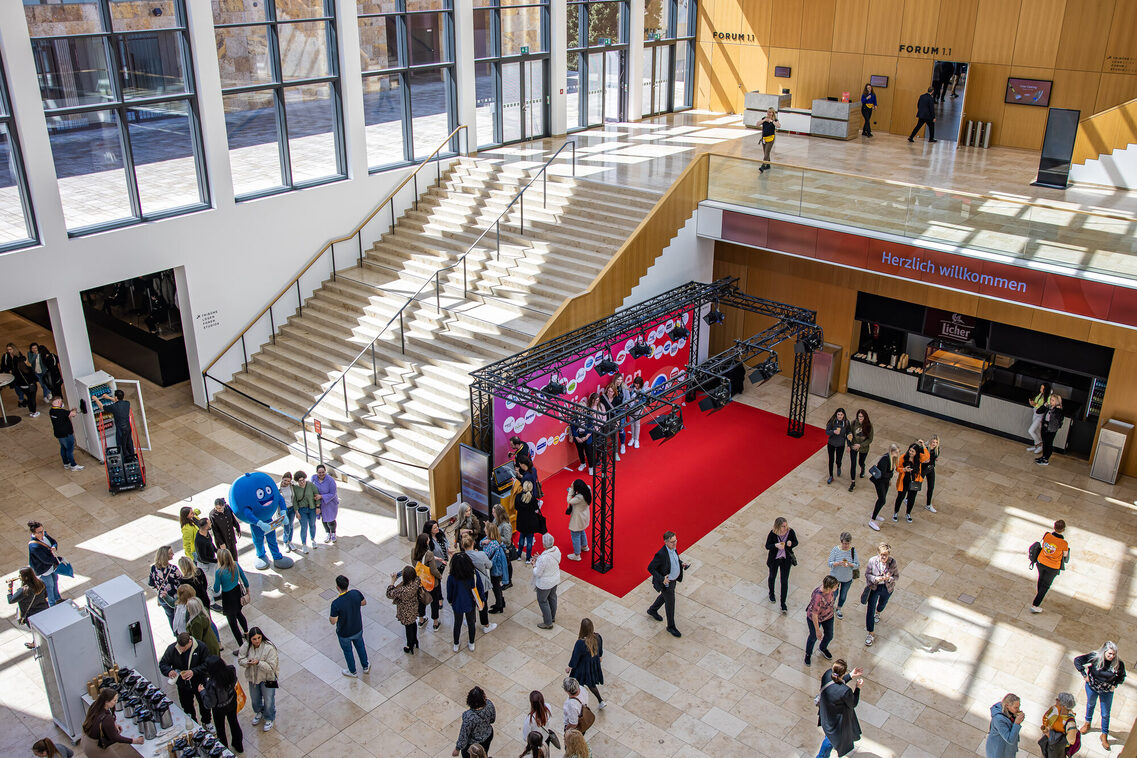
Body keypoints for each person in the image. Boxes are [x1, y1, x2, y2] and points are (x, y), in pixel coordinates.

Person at [1074, 641, 1126, 750]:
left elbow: (1122, 676)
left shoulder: (1118, 664)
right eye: (1109, 654)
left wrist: (1115, 685)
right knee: (1090, 704)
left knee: (1105, 713)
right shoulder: (1095, 657)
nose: (1112, 656)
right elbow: (1077, 660)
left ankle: (1104, 735)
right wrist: (1084, 675)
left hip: (1107, 692)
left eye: (1114, 654)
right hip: (1092, 687)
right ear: (1104, 652)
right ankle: (1087, 723)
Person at [159, 632, 212, 729]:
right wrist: (169, 671)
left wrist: (193, 671)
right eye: (180, 647)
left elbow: (207, 664)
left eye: (184, 648)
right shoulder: (172, 649)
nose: (181, 650)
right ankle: (193, 724)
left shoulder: (201, 647)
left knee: (204, 704)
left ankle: (207, 722)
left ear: (190, 642)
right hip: (183, 685)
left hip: (199, 682)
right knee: (187, 706)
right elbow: (163, 664)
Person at [816, 659, 864, 758]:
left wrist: (850, 675)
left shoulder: (827, 674)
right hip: (835, 723)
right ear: (843, 673)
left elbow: (835, 681)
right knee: (829, 741)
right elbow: (853, 703)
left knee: (829, 737)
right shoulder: (845, 691)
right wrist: (858, 688)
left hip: (825, 715)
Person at [198, 655, 243, 755]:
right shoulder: (231, 670)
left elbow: (211, 703)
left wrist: (202, 692)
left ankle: (224, 752)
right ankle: (238, 745)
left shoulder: (212, 684)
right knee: (234, 723)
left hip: (219, 709)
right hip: (231, 702)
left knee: (221, 730)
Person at [646, 530, 688, 637]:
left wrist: (681, 563)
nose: (675, 544)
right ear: (666, 542)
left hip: (673, 581)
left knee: (665, 597)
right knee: (670, 604)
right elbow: (650, 568)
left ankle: (652, 610)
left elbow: (674, 559)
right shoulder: (661, 554)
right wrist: (662, 579)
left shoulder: (673, 549)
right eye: (672, 542)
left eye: (675, 541)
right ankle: (671, 626)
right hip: (666, 583)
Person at [80, 687, 145, 756]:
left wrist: (114, 724)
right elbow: (115, 737)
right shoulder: (107, 719)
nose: (116, 702)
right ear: (106, 701)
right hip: (94, 747)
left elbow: (110, 713)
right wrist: (135, 741)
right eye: (114, 700)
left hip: (85, 738)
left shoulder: (96, 705)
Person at [238, 626, 279, 732]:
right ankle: (259, 712)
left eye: (259, 638)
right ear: (250, 639)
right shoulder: (246, 646)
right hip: (253, 678)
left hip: (268, 679)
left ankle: (269, 717)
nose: (257, 641)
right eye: (254, 639)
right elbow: (240, 659)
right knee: (255, 699)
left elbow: (271, 668)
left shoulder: (269, 648)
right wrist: (247, 662)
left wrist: (258, 663)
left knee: (269, 700)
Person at [330, 574, 369, 676]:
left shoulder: (336, 603)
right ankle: (365, 666)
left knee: (348, 652)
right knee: (360, 647)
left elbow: (333, 621)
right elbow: (364, 602)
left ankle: (352, 671)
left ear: (337, 587)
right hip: (357, 628)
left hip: (344, 633)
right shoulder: (356, 593)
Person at [446, 551, 485, 652]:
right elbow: (480, 587)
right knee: (471, 623)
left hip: (457, 604)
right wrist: (482, 599)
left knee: (457, 624)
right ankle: (471, 642)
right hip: (470, 603)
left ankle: (456, 643)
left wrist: (450, 600)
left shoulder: (451, 577)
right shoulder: (474, 574)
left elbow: (449, 591)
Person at [212, 547, 249, 649]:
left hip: (228, 597)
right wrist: (248, 592)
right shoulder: (236, 565)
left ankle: (241, 647)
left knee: (233, 623)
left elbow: (216, 589)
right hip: (237, 593)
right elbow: (245, 581)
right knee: (239, 613)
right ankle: (247, 633)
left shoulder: (219, 572)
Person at [864, 542, 899, 647]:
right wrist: (875, 578)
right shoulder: (872, 561)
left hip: (887, 588)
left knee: (882, 604)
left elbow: (896, 576)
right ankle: (870, 633)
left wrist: (889, 578)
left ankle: (878, 612)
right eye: (882, 555)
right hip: (875, 587)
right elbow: (867, 574)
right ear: (878, 553)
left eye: (886, 555)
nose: (883, 557)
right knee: (870, 609)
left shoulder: (892, 562)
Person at [462, 534, 498, 633]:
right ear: (473, 543)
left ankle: (470, 619)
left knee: (469, 602)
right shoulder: (481, 555)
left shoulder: (461, 557)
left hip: (466, 583)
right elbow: (489, 565)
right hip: (480, 582)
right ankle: (486, 624)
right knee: (483, 603)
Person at [567, 618, 605, 708]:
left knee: (576, 684)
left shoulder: (580, 643)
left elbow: (575, 657)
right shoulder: (598, 637)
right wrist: (599, 657)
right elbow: (600, 650)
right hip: (592, 666)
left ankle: (578, 703)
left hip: (581, 668)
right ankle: (601, 701)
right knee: (591, 684)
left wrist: (570, 666)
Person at [1032, 519, 1068, 612]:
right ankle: (1035, 605)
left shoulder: (1047, 535)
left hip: (1041, 562)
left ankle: (1039, 595)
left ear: (1054, 527)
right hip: (1053, 567)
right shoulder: (1064, 543)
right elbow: (1065, 555)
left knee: (1041, 579)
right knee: (1046, 585)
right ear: (1063, 529)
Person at [8, 567, 49, 649]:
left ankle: (37, 643)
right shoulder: (41, 583)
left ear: (25, 577)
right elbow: (46, 595)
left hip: (31, 614)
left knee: (35, 630)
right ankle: (37, 641)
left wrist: (10, 587)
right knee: (44, 627)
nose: (19, 576)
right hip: (43, 610)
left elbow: (11, 600)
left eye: (20, 575)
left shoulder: (24, 590)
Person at [765, 516, 798, 614]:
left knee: (784, 581)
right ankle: (771, 593)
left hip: (785, 560)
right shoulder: (772, 534)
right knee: (772, 576)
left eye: (786, 525)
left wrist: (791, 543)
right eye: (783, 526)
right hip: (774, 560)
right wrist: (776, 545)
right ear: (778, 526)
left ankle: (783, 603)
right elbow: (767, 546)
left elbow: (796, 542)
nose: (785, 527)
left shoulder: (790, 532)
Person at [387, 565, 423, 654]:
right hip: (414, 606)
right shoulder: (417, 580)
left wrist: (392, 581)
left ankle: (409, 645)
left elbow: (389, 594)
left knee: (408, 627)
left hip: (405, 610)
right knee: (413, 623)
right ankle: (415, 640)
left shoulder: (402, 590)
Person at [892, 442, 930, 523]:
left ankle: (908, 513)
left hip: (914, 482)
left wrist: (923, 445)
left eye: (913, 451)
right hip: (904, 481)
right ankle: (896, 513)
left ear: (916, 453)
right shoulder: (903, 457)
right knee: (900, 497)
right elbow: (897, 468)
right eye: (910, 450)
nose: (910, 452)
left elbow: (927, 456)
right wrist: (904, 470)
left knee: (911, 499)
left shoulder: (919, 458)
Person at [453, 686, 495, 758]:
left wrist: (457, 748)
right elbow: (492, 720)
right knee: (483, 753)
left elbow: (464, 734)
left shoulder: (469, 717)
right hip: (488, 736)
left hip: (473, 744)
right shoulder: (489, 704)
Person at [805, 576, 839, 665]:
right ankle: (808, 654)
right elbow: (814, 615)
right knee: (813, 637)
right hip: (815, 618)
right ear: (829, 587)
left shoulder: (830, 591)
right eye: (835, 586)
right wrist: (817, 630)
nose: (837, 588)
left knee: (829, 635)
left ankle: (823, 647)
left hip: (828, 616)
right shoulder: (818, 597)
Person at [413, 534, 445, 629]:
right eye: (427, 540)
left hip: (420, 581)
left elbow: (415, 565)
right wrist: (439, 576)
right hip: (430, 582)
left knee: (421, 599)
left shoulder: (413, 551)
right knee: (434, 601)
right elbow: (433, 570)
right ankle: (435, 623)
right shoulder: (429, 554)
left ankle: (421, 620)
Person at [27, 521, 62, 606]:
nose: (43, 533)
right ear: (34, 533)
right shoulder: (34, 546)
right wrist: (59, 559)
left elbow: (53, 541)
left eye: (43, 530)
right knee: (49, 587)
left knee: (55, 581)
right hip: (43, 570)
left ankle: (58, 599)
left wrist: (54, 546)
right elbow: (46, 559)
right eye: (40, 532)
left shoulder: (44, 535)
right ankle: (52, 604)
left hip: (51, 566)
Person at [148, 545, 182, 629]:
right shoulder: (173, 569)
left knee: (170, 617)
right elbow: (181, 582)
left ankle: (175, 633)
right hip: (174, 597)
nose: (173, 554)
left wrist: (161, 589)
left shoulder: (153, 568)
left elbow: (151, 583)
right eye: (170, 553)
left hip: (162, 597)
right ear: (165, 556)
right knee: (179, 616)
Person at [867, 443, 899, 531]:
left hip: (885, 481)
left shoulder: (892, 459)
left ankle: (875, 513)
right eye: (896, 452)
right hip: (879, 482)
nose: (897, 454)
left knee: (882, 499)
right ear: (892, 451)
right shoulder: (885, 459)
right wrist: (892, 474)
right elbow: (882, 473)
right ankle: (872, 520)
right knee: (882, 500)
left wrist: (889, 480)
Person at [827, 532, 859, 619]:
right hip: (835, 578)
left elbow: (857, 565)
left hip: (847, 578)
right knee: (833, 595)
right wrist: (837, 563)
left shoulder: (853, 551)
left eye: (848, 543)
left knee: (843, 596)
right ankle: (829, 608)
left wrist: (850, 564)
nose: (846, 545)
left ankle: (838, 609)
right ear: (841, 542)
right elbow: (829, 563)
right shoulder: (835, 550)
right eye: (844, 543)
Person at [533, 533, 562, 629]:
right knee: (552, 597)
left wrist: (534, 565)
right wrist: (539, 559)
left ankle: (548, 622)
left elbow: (538, 573)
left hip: (545, 584)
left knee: (542, 601)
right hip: (555, 579)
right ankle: (552, 617)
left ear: (544, 544)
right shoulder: (556, 550)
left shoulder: (544, 558)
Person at [95, 389, 134, 460]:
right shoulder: (127, 403)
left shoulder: (114, 407)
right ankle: (132, 456)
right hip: (128, 427)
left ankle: (126, 458)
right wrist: (108, 398)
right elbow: (118, 402)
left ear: (116, 397)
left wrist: (96, 399)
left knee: (121, 445)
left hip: (121, 429)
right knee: (129, 442)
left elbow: (101, 407)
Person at [48, 397, 83, 471]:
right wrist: (74, 410)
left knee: (63, 448)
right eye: (60, 402)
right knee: (69, 450)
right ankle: (73, 465)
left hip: (58, 434)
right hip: (66, 434)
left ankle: (66, 463)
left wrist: (69, 412)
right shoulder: (61, 411)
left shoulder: (51, 411)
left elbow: (65, 414)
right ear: (57, 402)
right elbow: (73, 414)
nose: (61, 403)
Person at [1040, 692, 1080, 758]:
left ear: (1063, 706)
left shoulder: (1070, 723)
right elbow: (1046, 717)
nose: (1056, 700)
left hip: (1057, 750)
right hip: (1047, 742)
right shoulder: (1054, 708)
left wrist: (1051, 736)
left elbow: (1071, 740)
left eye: (1058, 700)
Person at [480, 525, 508, 613]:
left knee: (496, 587)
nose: (484, 530)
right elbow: (480, 542)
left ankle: (499, 606)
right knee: (497, 586)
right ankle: (501, 602)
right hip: (497, 568)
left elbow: (485, 556)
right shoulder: (495, 539)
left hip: (495, 569)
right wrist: (483, 542)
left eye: (485, 529)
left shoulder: (493, 544)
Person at [985, 693, 1024, 758]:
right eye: (1016, 707)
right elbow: (1009, 739)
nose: (1018, 710)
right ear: (1007, 705)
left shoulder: (1009, 712)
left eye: (1019, 706)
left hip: (1006, 749)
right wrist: (1017, 723)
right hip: (998, 751)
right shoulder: (999, 720)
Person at [5, 344, 38, 417]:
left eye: (10, 349)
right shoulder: (26, 369)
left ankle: (31, 411)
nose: (9, 351)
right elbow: (32, 373)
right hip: (29, 385)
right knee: (32, 398)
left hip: (22, 385)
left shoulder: (16, 369)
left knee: (29, 398)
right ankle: (34, 412)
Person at [291, 470, 319, 554]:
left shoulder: (310, 485)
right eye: (300, 481)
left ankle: (313, 539)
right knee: (304, 527)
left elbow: (316, 495)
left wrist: (318, 506)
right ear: (297, 481)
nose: (302, 482)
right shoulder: (295, 488)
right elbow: (294, 500)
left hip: (312, 508)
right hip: (302, 510)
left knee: (312, 524)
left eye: (303, 480)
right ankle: (304, 544)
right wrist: (296, 512)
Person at [515, 480, 542, 565]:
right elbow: (536, 509)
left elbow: (516, 507)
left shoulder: (518, 497)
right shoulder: (533, 499)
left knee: (521, 538)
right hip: (530, 522)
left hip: (521, 521)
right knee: (529, 541)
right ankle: (527, 558)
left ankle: (519, 555)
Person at [846, 409, 873, 491]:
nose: (860, 418)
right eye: (859, 416)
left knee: (860, 462)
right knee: (853, 464)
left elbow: (870, 439)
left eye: (862, 416)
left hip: (863, 448)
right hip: (854, 446)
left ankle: (862, 467)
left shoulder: (869, 426)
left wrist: (860, 445)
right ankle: (853, 482)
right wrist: (849, 444)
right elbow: (849, 433)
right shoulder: (853, 423)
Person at [312, 464, 340, 543]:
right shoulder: (314, 479)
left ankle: (333, 532)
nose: (321, 474)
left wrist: (321, 496)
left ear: (325, 471)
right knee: (324, 518)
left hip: (329, 503)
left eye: (323, 472)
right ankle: (327, 533)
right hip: (320, 503)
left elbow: (333, 493)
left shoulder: (330, 480)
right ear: (316, 472)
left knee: (330, 519)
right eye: (319, 472)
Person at [566, 478, 592, 561]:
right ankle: (585, 546)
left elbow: (569, 500)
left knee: (575, 535)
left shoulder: (579, 497)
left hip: (578, 518)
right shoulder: (588, 489)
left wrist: (571, 490)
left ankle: (577, 555)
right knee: (581, 530)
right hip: (584, 515)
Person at [1036, 394, 1064, 465]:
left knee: (1049, 443)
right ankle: (1043, 456)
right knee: (1044, 443)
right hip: (1045, 427)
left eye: (1053, 400)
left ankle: (1046, 459)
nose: (1051, 401)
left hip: (1051, 429)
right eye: (1051, 399)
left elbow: (1059, 418)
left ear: (1057, 402)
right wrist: (1044, 405)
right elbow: (1038, 411)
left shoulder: (1058, 410)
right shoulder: (1049, 407)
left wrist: (1057, 408)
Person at [569, 400, 595, 475]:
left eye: (582, 408)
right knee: (580, 451)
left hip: (587, 436)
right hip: (578, 436)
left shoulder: (589, 416)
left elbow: (591, 427)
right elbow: (573, 427)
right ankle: (583, 463)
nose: (580, 410)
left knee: (589, 453)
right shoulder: (575, 416)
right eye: (579, 408)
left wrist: (586, 437)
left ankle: (591, 467)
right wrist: (576, 437)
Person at [492, 504, 515, 587]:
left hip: (506, 549)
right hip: (499, 547)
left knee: (507, 565)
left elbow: (507, 540)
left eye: (494, 512)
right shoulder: (496, 520)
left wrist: (496, 535)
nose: (492, 514)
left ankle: (509, 581)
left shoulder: (506, 525)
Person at [825, 409, 849, 484]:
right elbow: (827, 432)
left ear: (843, 415)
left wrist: (848, 445)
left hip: (840, 444)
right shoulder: (832, 422)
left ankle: (839, 466)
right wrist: (833, 431)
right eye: (838, 414)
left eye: (841, 415)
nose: (839, 416)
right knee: (831, 459)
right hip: (831, 443)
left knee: (838, 460)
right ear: (836, 414)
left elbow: (848, 433)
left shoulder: (846, 423)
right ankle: (831, 476)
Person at [1027, 383, 1052, 454]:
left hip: (1040, 416)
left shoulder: (1048, 397)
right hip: (1035, 413)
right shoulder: (1040, 395)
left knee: (1031, 430)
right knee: (1037, 431)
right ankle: (1036, 446)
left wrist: (1035, 404)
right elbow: (1036, 402)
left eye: (1042, 388)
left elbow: (1044, 408)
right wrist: (1032, 403)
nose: (1040, 389)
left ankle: (1040, 444)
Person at [194, 518, 219, 588]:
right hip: (205, 565)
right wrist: (216, 560)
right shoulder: (199, 541)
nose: (211, 523)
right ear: (206, 527)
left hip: (211, 561)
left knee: (215, 578)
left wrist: (217, 551)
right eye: (209, 523)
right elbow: (203, 558)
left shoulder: (206, 533)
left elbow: (210, 543)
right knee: (210, 582)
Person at [278, 471, 296, 552]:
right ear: (282, 479)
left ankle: (290, 541)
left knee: (291, 525)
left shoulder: (291, 485)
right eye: (285, 480)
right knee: (286, 525)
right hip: (284, 510)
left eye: (288, 481)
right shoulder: (277, 488)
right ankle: (285, 542)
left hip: (291, 508)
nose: (286, 482)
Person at [758, 108, 780, 172]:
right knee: (765, 152)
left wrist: (772, 121)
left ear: (773, 113)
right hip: (764, 138)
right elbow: (757, 124)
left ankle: (763, 165)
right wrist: (764, 120)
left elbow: (778, 126)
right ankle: (768, 164)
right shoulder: (764, 118)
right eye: (768, 112)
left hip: (771, 138)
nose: (769, 113)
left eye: (770, 112)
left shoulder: (775, 120)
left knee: (767, 152)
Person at [923, 435, 940, 512]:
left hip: (931, 469)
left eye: (936, 442)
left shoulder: (936, 449)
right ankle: (908, 498)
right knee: (916, 484)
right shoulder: (925, 448)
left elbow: (934, 458)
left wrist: (935, 459)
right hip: (923, 469)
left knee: (931, 486)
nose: (934, 444)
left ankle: (928, 504)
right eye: (933, 442)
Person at [629, 376, 645, 448]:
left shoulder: (643, 391)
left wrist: (639, 401)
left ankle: (636, 440)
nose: (636, 385)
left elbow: (644, 400)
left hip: (638, 409)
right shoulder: (632, 387)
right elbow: (628, 395)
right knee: (632, 423)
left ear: (641, 384)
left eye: (638, 384)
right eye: (635, 383)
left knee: (637, 424)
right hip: (631, 407)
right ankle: (632, 438)